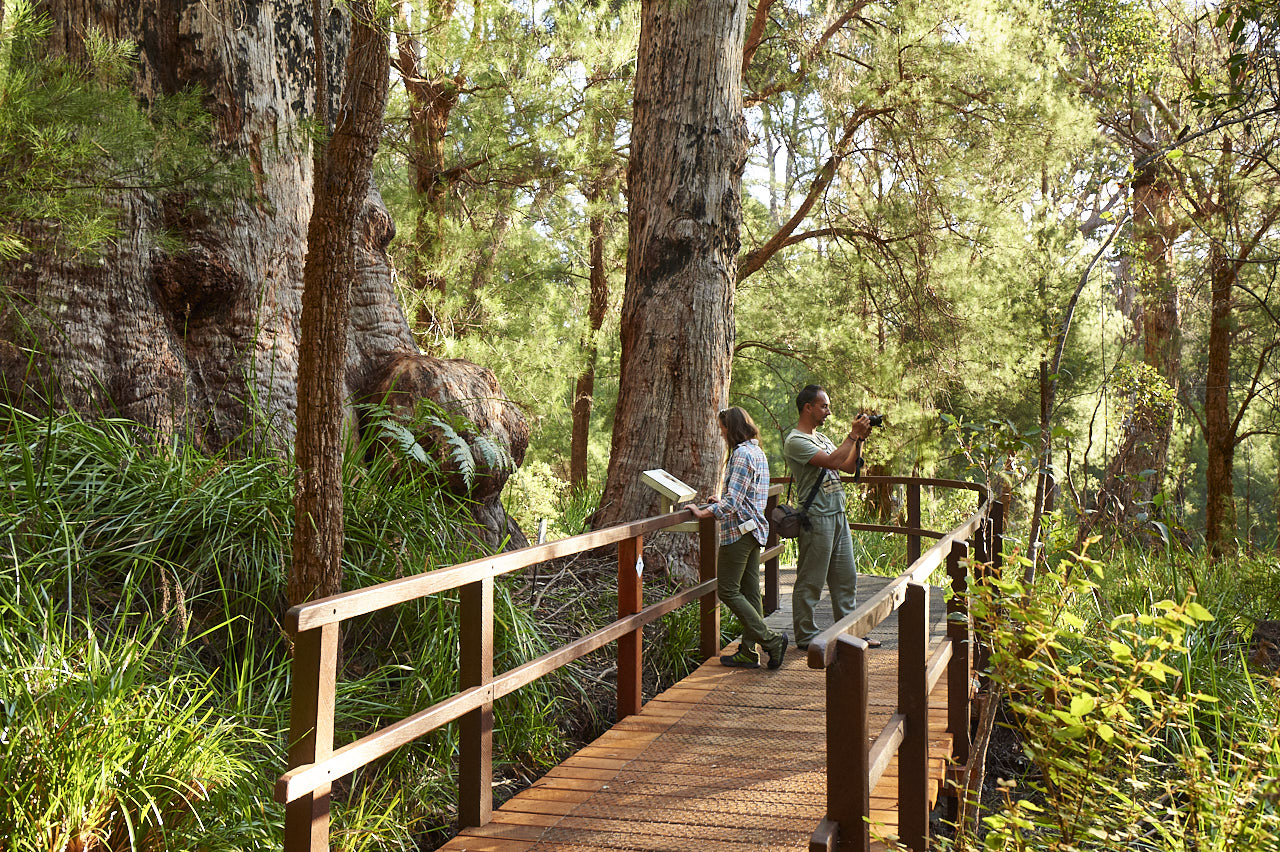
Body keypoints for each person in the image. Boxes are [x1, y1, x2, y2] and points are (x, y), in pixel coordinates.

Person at [688, 407, 789, 670]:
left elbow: (733, 502)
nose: (721, 433)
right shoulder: (757, 452)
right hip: (754, 529)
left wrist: (703, 512)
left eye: (722, 427)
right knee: (750, 592)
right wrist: (720, 502)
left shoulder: (742, 455)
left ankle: (771, 640)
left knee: (728, 590)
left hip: (740, 532)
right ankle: (747, 651)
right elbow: (745, 495)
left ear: (731, 428)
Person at [782, 385, 876, 651]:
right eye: (824, 406)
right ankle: (806, 636)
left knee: (846, 579)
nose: (828, 411)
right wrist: (852, 435)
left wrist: (858, 441)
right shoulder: (796, 440)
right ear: (807, 407)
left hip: (838, 515)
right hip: (817, 517)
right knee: (811, 581)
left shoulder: (821, 438)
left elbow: (847, 466)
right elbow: (833, 462)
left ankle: (850, 634)